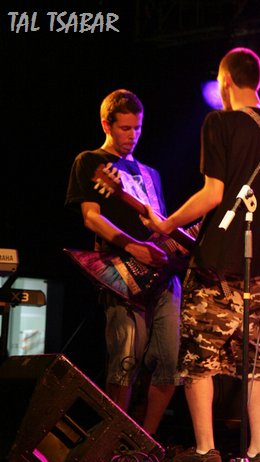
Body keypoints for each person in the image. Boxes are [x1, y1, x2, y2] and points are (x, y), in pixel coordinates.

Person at [140, 47, 260, 462]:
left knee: (197, 357)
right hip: (258, 266)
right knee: (253, 360)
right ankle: (259, 454)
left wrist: (167, 224)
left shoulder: (219, 122)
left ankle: (205, 452)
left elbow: (213, 194)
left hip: (214, 263)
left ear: (225, 81)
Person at [65, 89, 182, 439]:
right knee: (126, 360)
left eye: (138, 128)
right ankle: (112, 444)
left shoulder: (151, 174)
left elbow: (160, 226)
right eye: (125, 128)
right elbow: (91, 217)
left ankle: (143, 444)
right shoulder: (90, 161)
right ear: (106, 124)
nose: (133, 135)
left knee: (170, 362)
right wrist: (134, 247)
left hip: (163, 277)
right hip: (121, 273)